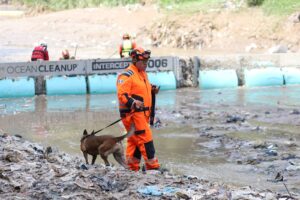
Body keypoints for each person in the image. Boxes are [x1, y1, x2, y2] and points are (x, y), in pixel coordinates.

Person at [116, 47, 160, 171]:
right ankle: (153, 167)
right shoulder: (127, 75)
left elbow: (140, 88)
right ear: (135, 60)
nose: (146, 65)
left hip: (142, 114)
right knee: (145, 139)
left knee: (134, 141)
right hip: (133, 115)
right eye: (143, 62)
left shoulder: (142, 73)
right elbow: (122, 94)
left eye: (147, 62)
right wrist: (133, 102)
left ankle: (131, 167)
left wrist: (152, 89)